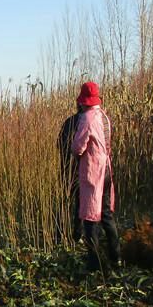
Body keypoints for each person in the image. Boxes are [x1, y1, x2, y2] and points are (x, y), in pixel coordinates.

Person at [71, 82, 120, 272]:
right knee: (107, 214)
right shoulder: (104, 116)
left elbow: (78, 147)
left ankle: (94, 263)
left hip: (93, 171)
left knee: (91, 216)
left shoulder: (87, 118)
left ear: (84, 101)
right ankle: (116, 256)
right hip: (107, 170)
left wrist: (75, 154)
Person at [57, 107, 83, 242]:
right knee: (80, 203)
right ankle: (77, 234)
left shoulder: (68, 122)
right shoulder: (85, 123)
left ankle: (59, 233)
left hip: (66, 168)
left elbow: (59, 144)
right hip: (80, 170)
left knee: (64, 202)